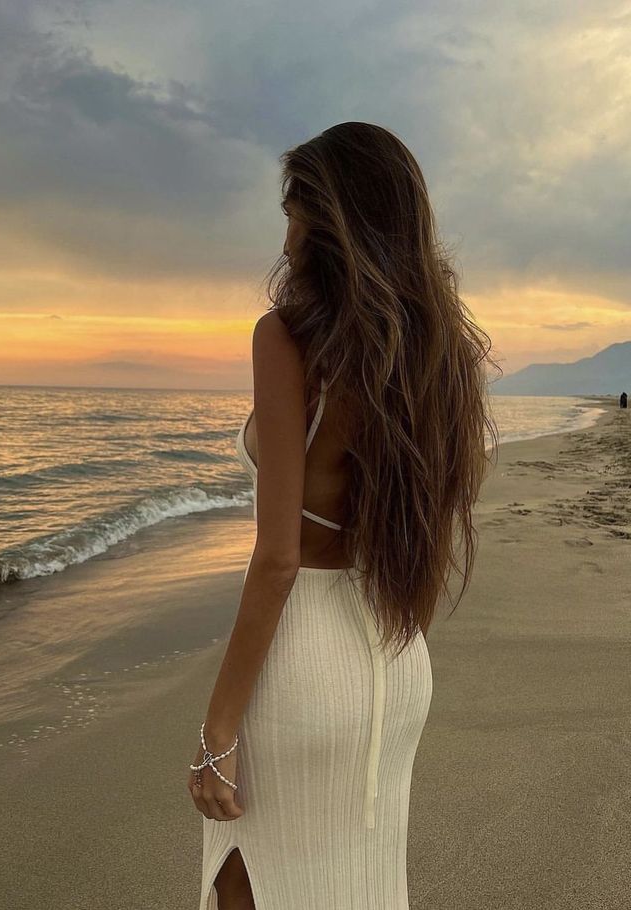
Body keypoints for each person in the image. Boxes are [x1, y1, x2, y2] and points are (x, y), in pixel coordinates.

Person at [188, 121, 500, 910]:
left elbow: (278, 558)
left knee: (247, 883)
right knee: (362, 888)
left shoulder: (287, 339)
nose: (286, 242)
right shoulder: (441, 358)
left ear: (329, 219)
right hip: (395, 660)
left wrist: (218, 728)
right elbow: (424, 531)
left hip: (299, 665)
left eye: (293, 212)